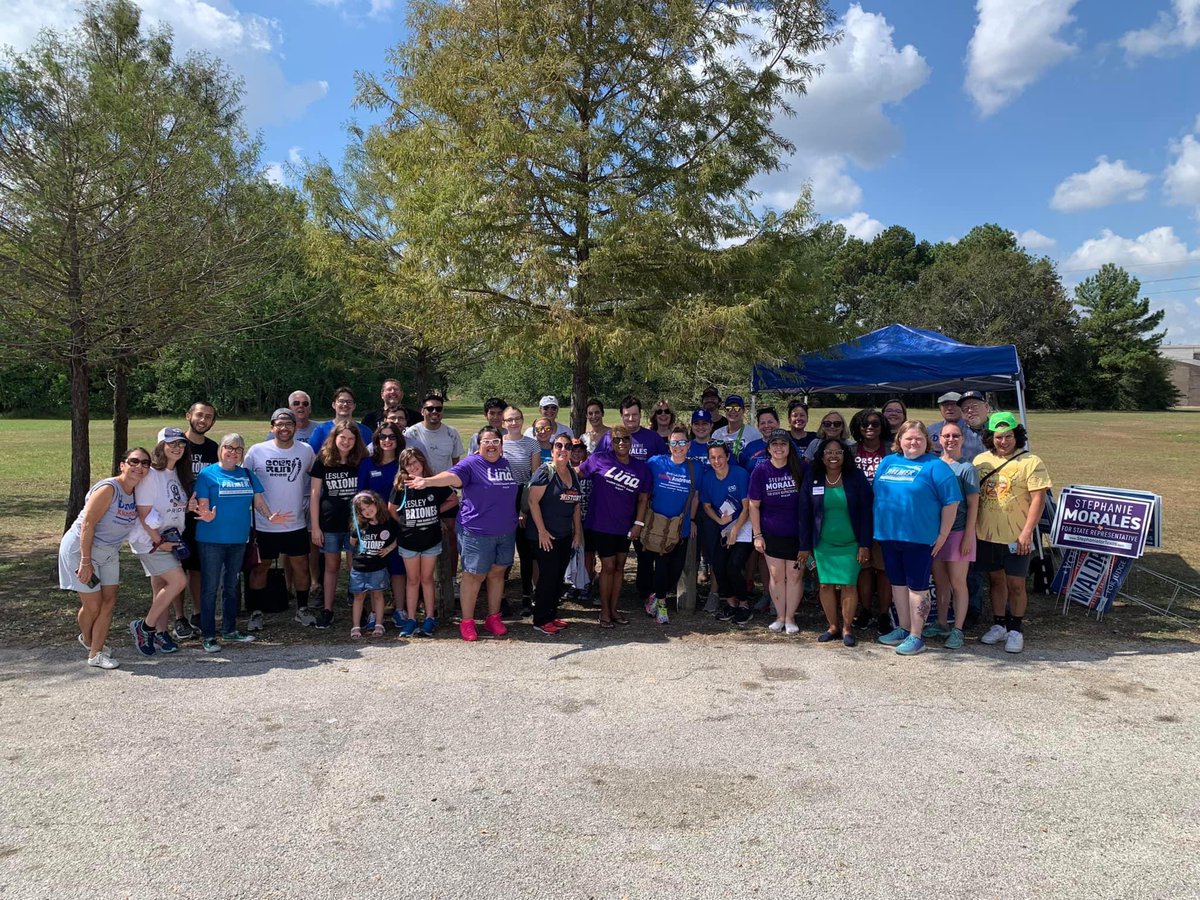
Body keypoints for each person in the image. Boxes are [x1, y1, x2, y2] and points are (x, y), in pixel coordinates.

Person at [407, 426, 519, 642]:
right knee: (474, 575)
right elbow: (450, 476)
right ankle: (467, 621)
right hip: (477, 532)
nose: (491, 446)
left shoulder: (506, 464)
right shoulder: (471, 464)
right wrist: (427, 481)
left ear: (501, 445)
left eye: (495, 441)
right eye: (486, 442)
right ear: (478, 446)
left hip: (505, 531)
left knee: (497, 574)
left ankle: (493, 617)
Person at [872, 420, 962, 657]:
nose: (913, 443)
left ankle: (916, 635)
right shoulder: (888, 462)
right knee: (897, 584)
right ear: (899, 441)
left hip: (919, 539)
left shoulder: (937, 467)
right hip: (889, 535)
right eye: (908, 438)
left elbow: (951, 502)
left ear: (927, 442)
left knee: (917, 588)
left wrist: (942, 535)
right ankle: (903, 628)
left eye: (918, 439)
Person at [193, 434, 289, 652]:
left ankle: (229, 630)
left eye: (238, 448)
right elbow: (203, 504)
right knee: (210, 588)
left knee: (231, 586)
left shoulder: (247, 474)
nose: (234, 452)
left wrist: (270, 516)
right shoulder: (207, 474)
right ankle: (208, 634)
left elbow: (259, 501)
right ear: (221, 449)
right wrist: (206, 514)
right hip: (211, 540)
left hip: (238, 540)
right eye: (229, 447)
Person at [59, 448, 150, 669]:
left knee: (109, 602)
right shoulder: (110, 488)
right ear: (122, 464)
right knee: (93, 605)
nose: (139, 467)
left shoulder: (137, 492)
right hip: (81, 551)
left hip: (109, 552)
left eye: (145, 463)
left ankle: (95, 652)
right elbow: (88, 524)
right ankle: (90, 641)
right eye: (134, 461)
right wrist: (86, 561)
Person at [974, 412, 1052, 655]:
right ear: (990, 438)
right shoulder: (980, 461)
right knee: (995, 580)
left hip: (1016, 535)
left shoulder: (1031, 461)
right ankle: (999, 624)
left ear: (1016, 435)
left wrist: (1028, 532)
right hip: (986, 534)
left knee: (1016, 583)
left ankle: (1016, 628)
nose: (1003, 441)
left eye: (1008, 436)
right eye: (998, 437)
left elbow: (1039, 499)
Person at [244, 409, 317, 627]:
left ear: (296, 427)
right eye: (279, 424)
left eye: (289, 424)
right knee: (260, 567)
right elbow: (245, 482)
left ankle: (302, 609)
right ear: (272, 427)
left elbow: (315, 477)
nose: (284, 428)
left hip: (295, 522)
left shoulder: (306, 450)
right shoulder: (257, 451)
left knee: (301, 567)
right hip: (265, 523)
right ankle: (256, 612)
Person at [798, 438, 873, 647]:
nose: (833, 456)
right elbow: (804, 514)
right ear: (821, 456)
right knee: (824, 585)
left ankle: (847, 628)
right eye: (829, 452)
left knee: (849, 584)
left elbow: (867, 512)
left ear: (844, 455)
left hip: (851, 544)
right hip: (822, 545)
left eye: (838, 452)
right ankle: (832, 626)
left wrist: (865, 544)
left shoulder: (855, 477)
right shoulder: (813, 477)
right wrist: (804, 546)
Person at [577, 425, 651, 628]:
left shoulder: (641, 467)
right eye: (617, 439)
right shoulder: (599, 459)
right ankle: (604, 612)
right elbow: (576, 474)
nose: (621, 443)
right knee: (608, 567)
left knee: (619, 567)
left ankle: (614, 609)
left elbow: (643, 499)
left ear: (631, 441)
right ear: (611, 440)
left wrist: (638, 524)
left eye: (625, 439)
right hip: (601, 524)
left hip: (625, 526)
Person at [128, 428, 192, 656]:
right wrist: (159, 542)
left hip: (171, 538)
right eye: (172, 443)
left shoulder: (177, 473)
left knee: (162, 589)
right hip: (152, 540)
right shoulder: (151, 475)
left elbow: (173, 503)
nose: (177, 448)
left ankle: (160, 633)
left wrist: (190, 507)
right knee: (178, 582)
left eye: (181, 444)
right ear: (161, 446)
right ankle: (144, 627)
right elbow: (144, 513)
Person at [389, 448, 458, 637]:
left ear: (423, 462)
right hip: (408, 541)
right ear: (403, 467)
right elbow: (392, 509)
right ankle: (411, 618)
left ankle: (429, 617)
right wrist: (405, 523)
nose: (413, 466)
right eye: (408, 463)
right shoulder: (401, 485)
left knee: (427, 579)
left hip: (430, 539)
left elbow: (453, 499)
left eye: (416, 462)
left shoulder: (433, 482)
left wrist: (436, 511)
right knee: (413, 580)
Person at [310, 422, 369, 629]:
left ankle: (358, 606)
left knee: (355, 567)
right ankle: (327, 609)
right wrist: (315, 527)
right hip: (330, 523)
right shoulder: (323, 460)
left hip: (355, 525)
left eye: (351, 439)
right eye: (342, 438)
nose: (346, 442)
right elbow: (315, 495)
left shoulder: (361, 460)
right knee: (331, 567)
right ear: (334, 438)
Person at [747, 429, 807, 634]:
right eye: (775, 444)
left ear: (790, 447)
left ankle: (791, 617)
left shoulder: (801, 468)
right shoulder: (761, 471)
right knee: (776, 575)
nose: (779, 448)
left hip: (797, 533)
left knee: (795, 576)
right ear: (769, 448)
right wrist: (757, 534)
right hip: (771, 531)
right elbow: (754, 505)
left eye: (783, 444)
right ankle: (780, 616)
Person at [926, 422, 979, 650]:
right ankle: (941, 623)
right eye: (946, 436)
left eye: (955, 435)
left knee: (958, 583)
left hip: (958, 533)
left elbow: (973, 505)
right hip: (937, 534)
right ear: (938, 439)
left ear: (962, 439)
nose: (950, 439)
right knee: (941, 582)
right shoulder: (934, 464)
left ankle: (957, 629)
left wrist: (968, 536)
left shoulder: (966, 468)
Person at [641, 425, 700, 625]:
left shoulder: (694, 468)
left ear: (688, 445)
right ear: (669, 445)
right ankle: (662, 605)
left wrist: (691, 519)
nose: (678, 446)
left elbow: (696, 496)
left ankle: (657, 596)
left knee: (675, 571)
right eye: (674, 442)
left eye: (682, 442)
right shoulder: (656, 462)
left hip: (680, 527)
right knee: (662, 567)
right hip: (657, 527)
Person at [526, 436, 584, 635]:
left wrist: (577, 533)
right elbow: (533, 502)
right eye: (559, 446)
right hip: (545, 536)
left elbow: (576, 505)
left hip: (564, 535)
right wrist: (542, 531)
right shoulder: (545, 472)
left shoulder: (573, 473)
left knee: (558, 577)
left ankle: (551, 615)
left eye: (567, 447)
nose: (563, 449)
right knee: (548, 577)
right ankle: (540, 619)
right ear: (552, 450)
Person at [405, 393, 464, 585]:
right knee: (419, 538)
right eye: (429, 408)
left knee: (451, 535)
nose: (434, 412)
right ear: (422, 411)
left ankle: (451, 579)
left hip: (445, 492)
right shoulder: (411, 433)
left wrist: (454, 487)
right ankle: (420, 583)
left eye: (438, 409)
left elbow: (457, 465)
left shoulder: (451, 433)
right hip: (418, 491)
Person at [176, 401, 219, 638]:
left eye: (209, 417)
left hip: (202, 518)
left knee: (198, 569)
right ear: (188, 415)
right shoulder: (176, 445)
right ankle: (179, 617)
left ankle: (198, 613)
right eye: (199, 415)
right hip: (176, 518)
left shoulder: (214, 449)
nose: (203, 420)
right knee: (177, 569)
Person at [357, 422, 407, 623]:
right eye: (383, 437)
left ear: (398, 440)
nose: (387, 441)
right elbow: (359, 495)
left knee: (398, 568)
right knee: (373, 567)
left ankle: (399, 609)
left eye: (392, 437)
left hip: (397, 522)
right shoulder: (367, 464)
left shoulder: (403, 464)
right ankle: (374, 612)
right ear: (376, 440)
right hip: (373, 524)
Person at [700, 442, 753, 625]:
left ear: (728, 456)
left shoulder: (740, 474)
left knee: (734, 565)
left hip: (744, 525)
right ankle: (731, 603)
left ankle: (744, 605)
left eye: (720, 457)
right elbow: (706, 506)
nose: (717, 461)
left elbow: (747, 507)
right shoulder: (707, 478)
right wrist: (719, 520)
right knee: (719, 566)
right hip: (723, 527)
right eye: (713, 458)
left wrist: (735, 530)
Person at [500, 407, 542, 611]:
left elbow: (533, 479)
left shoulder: (532, 444)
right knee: (503, 553)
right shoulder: (498, 443)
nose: (514, 423)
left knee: (527, 553)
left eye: (517, 419)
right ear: (503, 422)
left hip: (525, 498)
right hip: (503, 498)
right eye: (510, 419)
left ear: (522, 420)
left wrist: (523, 510)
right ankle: (501, 596)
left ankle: (528, 594)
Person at [347, 491, 397, 640]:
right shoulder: (359, 526)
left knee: (377, 594)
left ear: (376, 504)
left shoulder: (387, 523)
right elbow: (352, 542)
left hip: (378, 567)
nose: (367, 511)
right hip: (359, 568)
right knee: (359, 596)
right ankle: (356, 626)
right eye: (363, 509)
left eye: (369, 506)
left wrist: (388, 549)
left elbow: (397, 538)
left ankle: (379, 624)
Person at [307, 386, 374, 451]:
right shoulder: (321, 430)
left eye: (349, 402)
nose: (345, 404)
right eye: (341, 401)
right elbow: (312, 455)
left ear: (354, 406)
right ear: (334, 405)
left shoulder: (365, 431)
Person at [711, 394, 761, 459]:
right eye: (729, 408)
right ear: (725, 411)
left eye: (737, 408)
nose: (733, 411)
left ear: (743, 410)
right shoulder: (717, 434)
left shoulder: (754, 434)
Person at [849, 408, 890, 482]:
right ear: (858, 427)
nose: (870, 427)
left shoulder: (892, 450)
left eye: (875, 424)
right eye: (865, 424)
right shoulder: (850, 451)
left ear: (882, 427)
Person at [956, 391, 991, 460]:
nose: (970, 411)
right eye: (965, 409)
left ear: (986, 407)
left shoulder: (998, 428)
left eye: (974, 406)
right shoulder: (957, 433)